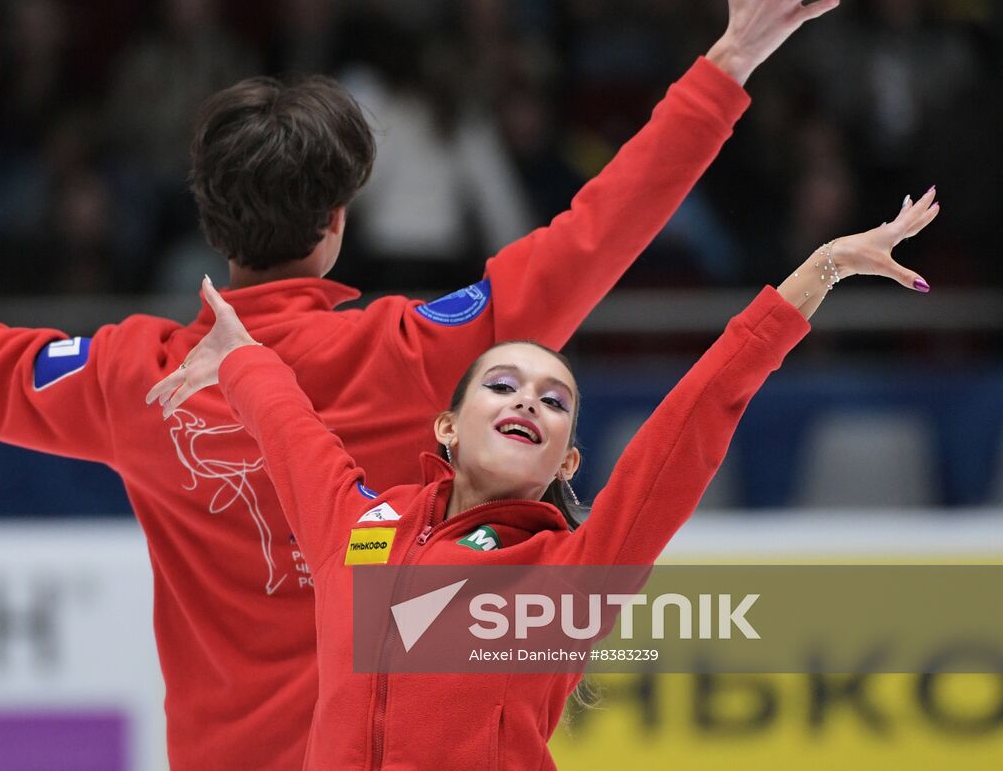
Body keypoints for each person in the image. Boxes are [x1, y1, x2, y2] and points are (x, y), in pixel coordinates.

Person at [0, 0, 843, 771]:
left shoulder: (134, 378)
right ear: (334, 225)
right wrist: (724, 65)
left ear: (210, 230)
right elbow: (599, 232)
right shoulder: (420, 353)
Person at [149, 189, 939, 770]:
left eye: (553, 399)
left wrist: (821, 270)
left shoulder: (568, 576)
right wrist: (241, 356)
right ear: (447, 429)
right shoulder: (362, 529)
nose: (527, 397)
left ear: (566, 459)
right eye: (500, 384)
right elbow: (294, 435)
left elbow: (693, 420)